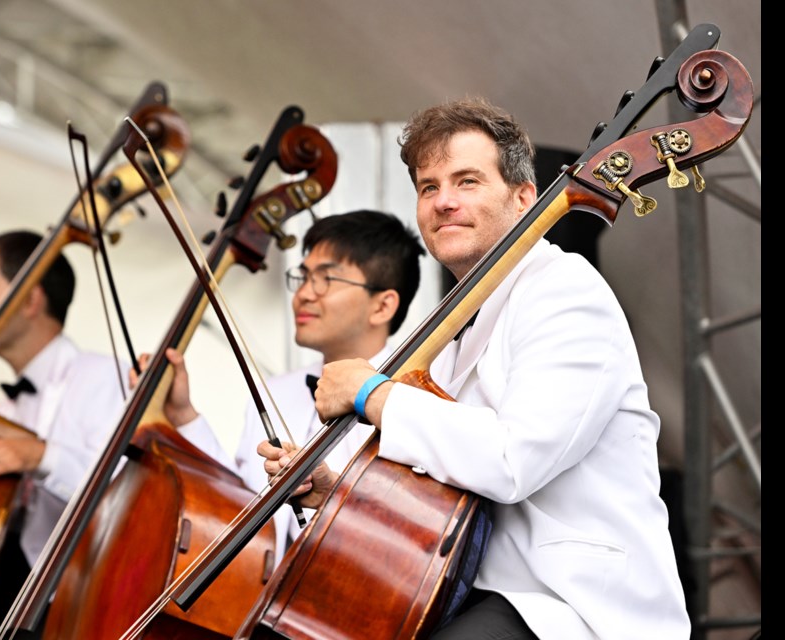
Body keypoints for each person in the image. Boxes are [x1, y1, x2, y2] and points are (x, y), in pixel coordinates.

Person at [262, 98, 691, 638]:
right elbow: (441, 487)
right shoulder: (452, 328)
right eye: (428, 187)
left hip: (570, 603)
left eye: (467, 181)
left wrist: (374, 393)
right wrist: (336, 492)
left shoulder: (566, 289)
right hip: (477, 594)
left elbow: (511, 459)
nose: (444, 202)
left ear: (523, 198)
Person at [144, 209, 425, 559]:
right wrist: (183, 414)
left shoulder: (413, 398)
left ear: (383, 306)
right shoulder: (274, 390)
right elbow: (242, 503)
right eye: (303, 277)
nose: (304, 294)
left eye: (326, 279)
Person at [0, 229, 128, 639]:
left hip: (71, 609)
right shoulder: (2, 409)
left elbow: (124, 495)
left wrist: (41, 457)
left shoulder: (106, 378)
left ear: (31, 299)